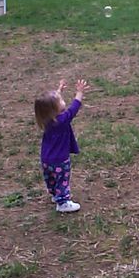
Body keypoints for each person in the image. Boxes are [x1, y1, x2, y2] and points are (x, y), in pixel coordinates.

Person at [34, 79, 89, 213]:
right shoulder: (62, 121)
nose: (62, 100)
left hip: (46, 159)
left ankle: (56, 195)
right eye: (60, 100)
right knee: (62, 180)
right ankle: (63, 203)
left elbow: (50, 104)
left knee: (52, 179)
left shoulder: (47, 120)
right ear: (55, 109)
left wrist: (59, 90)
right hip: (60, 159)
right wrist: (79, 92)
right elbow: (74, 108)